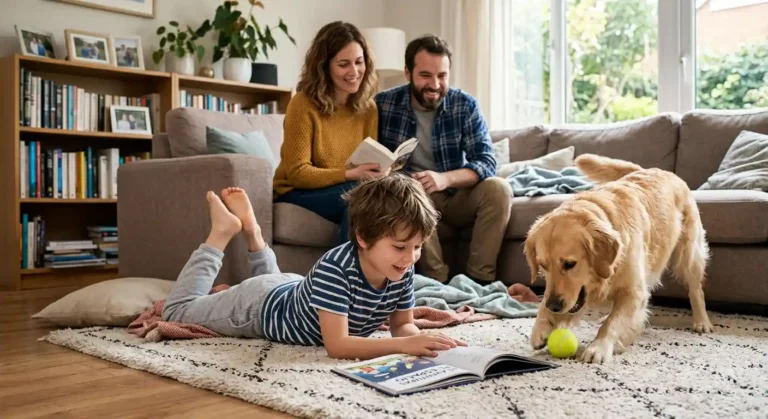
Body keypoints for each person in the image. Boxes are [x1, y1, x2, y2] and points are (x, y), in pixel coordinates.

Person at [162, 174, 465, 360]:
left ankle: (253, 233)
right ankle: (221, 233)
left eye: (417, 246)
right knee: (176, 311)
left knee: (275, 279)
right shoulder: (336, 269)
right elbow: (338, 345)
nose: (411, 257)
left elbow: (402, 326)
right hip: (258, 307)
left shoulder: (402, 266)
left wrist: (428, 343)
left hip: (293, 287)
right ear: (362, 237)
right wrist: (405, 346)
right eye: (400, 247)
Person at [375, 35, 513, 285]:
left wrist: (444, 178)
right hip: (412, 197)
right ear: (408, 73)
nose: (435, 84)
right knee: (409, 193)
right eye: (426, 75)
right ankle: (436, 283)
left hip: (456, 194)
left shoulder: (465, 105)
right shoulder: (384, 105)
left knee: (499, 188)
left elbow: (485, 161)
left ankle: (478, 282)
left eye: (442, 75)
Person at [273, 21, 387, 245]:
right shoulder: (302, 104)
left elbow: (368, 159)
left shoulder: (368, 108)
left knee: (386, 195)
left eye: (359, 62)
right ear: (324, 67)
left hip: (347, 187)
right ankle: (339, 278)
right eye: (344, 64)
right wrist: (351, 175)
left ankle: (389, 277)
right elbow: (297, 173)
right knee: (358, 198)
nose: (354, 72)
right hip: (297, 191)